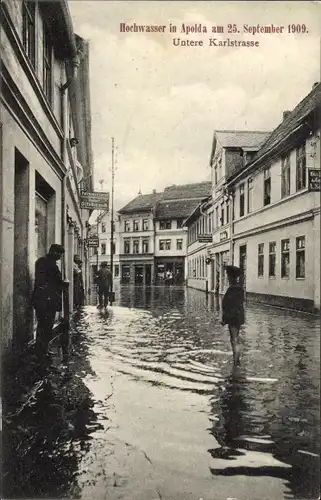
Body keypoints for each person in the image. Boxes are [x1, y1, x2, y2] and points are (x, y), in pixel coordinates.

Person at [32, 244, 65, 361]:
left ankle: (42, 349)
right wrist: (62, 283)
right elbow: (47, 282)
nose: (60, 257)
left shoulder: (41, 262)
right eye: (59, 254)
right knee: (46, 326)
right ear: (54, 253)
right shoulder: (50, 265)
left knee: (44, 325)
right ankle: (41, 351)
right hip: (47, 300)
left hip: (42, 299)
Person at [221, 265, 245, 364]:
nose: (227, 277)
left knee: (233, 339)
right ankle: (236, 358)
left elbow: (227, 305)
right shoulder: (240, 288)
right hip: (238, 316)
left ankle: (236, 360)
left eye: (228, 275)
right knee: (236, 337)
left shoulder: (231, 289)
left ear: (231, 277)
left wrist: (224, 319)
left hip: (232, 317)